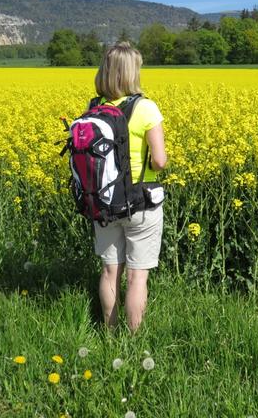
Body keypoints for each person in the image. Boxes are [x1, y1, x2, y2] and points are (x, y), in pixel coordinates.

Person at [92, 42, 167, 332]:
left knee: (110, 271)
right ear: (132, 73)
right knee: (137, 276)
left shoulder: (95, 108)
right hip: (140, 203)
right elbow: (159, 161)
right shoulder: (145, 108)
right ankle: (134, 342)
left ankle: (109, 335)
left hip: (104, 201)